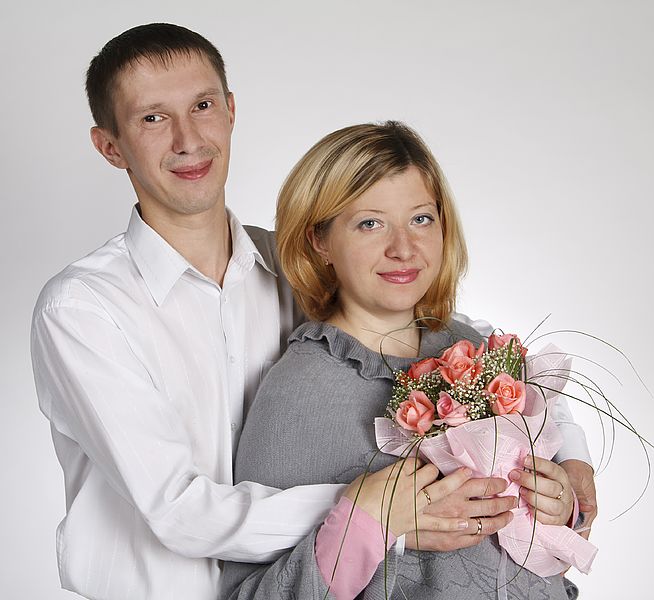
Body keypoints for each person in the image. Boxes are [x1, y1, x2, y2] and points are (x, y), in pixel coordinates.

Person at [30, 23, 595, 600]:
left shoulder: (299, 260)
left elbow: (463, 340)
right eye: (153, 117)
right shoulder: (83, 309)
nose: (187, 137)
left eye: (202, 106)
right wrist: (375, 510)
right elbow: (179, 511)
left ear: (229, 111)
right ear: (110, 146)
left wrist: (572, 465)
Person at [219, 122, 589, 600]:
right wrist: (368, 524)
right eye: (369, 223)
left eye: (420, 219)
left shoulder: (474, 348)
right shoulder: (301, 391)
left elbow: (540, 530)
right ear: (320, 241)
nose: (403, 248)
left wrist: (559, 505)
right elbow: (251, 592)